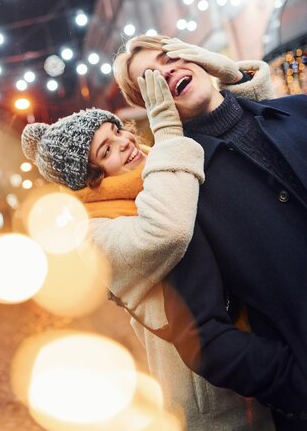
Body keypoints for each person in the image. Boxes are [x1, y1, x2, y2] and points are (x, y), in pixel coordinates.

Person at [21, 50, 276, 430]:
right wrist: (169, 133)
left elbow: (241, 135)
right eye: (105, 150)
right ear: (89, 180)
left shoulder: (167, 165)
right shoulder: (94, 232)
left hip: (269, 358)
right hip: (213, 407)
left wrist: (231, 74)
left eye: (118, 132)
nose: (124, 143)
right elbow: (166, 231)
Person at [113, 35, 307, 430]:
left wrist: (234, 73)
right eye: (151, 77)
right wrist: (295, 381)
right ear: (152, 105)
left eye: (171, 57)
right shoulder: (182, 193)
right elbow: (202, 338)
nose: (167, 70)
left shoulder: (299, 111)